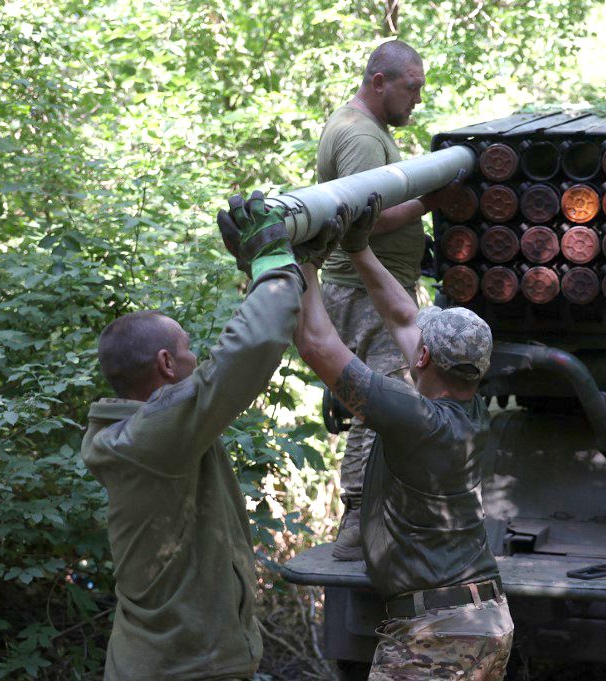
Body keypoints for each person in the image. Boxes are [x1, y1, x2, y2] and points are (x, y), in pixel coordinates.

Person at [80, 192, 341, 680]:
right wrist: (270, 261)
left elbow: (243, 344)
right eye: (188, 350)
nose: (196, 358)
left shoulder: (150, 433)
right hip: (184, 670)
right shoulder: (152, 436)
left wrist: (296, 265)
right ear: (164, 364)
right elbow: (247, 350)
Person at [293, 194, 513, 680]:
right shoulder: (469, 406)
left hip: (439, 631)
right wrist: (358, 249)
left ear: (423, 360)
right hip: (483, 618)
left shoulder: (417, 419)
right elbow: (403, 318)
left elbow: (317, 344)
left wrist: (301, 264)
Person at [316, 39, 452, 559]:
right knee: (381, 403)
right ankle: (357, 524)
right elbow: (359, 219)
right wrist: (428, 201)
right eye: (411, 87)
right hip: (362, 291)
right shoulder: (360, 137)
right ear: (380, 82)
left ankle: (375, 516)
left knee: (383, 401)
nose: (417, 99)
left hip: (369, 290)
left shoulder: (364, 129)